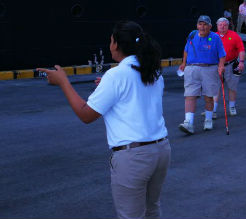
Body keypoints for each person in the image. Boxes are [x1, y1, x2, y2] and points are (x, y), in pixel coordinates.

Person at [37, 21, 170, 219]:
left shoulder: (116, 75)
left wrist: (63, 82)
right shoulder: (152, 71)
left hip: (134, 158)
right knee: (152, 210)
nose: (109, 45)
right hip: (161, 150)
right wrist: (107, 85)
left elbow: (86, 115)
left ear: (117, 45)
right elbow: (134, 95)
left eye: (111, 41)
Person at [178, 15, 226, 134]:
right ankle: (188, 122)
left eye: (205, 24)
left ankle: (208, 119)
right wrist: (184, 63)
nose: (202, 27)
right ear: (197, 25)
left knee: (208, 96)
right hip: (192, 68)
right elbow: (186, 50)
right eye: (200, 24)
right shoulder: (192, 35)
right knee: (190, 95)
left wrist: (221, 66)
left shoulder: (215, 37)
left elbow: (222, 54)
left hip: (209, 69)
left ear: (210, 26)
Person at [212, 17, 245, 118]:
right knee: (215, 88)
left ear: (228, 26)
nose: (222, 27)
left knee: (232, 87)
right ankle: (213, 110)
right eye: (220, 25)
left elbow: (241, 49)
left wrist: (242, 62)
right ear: (217, 26)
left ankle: (232, 107)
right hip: (216, 66)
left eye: (224, 25)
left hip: (231, 65)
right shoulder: (212, 36)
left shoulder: (234, 35)